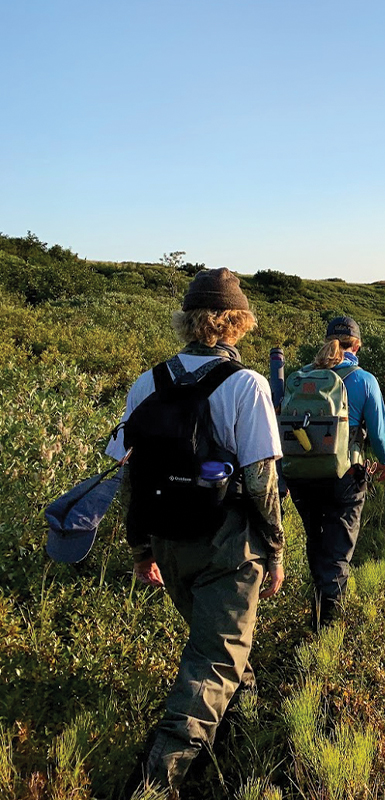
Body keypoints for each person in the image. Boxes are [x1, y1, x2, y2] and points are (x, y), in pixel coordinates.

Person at [106, 268, 285, 794]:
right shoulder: (246, 385)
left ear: (188, 320)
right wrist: (275, 548)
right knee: (212, 659)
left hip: (166, 536)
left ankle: (240, 724)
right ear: (237, 322)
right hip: (227, 543)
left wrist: (142, 548)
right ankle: (157, 780)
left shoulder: (149, 382)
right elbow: (261, 479)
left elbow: (128, 474)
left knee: (219, 642)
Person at [287, 315, 385, 629]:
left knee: (315, 539)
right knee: (338, 548)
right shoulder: (363, 380)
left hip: (301, 473)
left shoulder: (301, 376)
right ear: (356, 345)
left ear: (326, 340)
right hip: (346, 475)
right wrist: (384, 461)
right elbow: (378, 431)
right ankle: (328, 626)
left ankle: (319, 606)